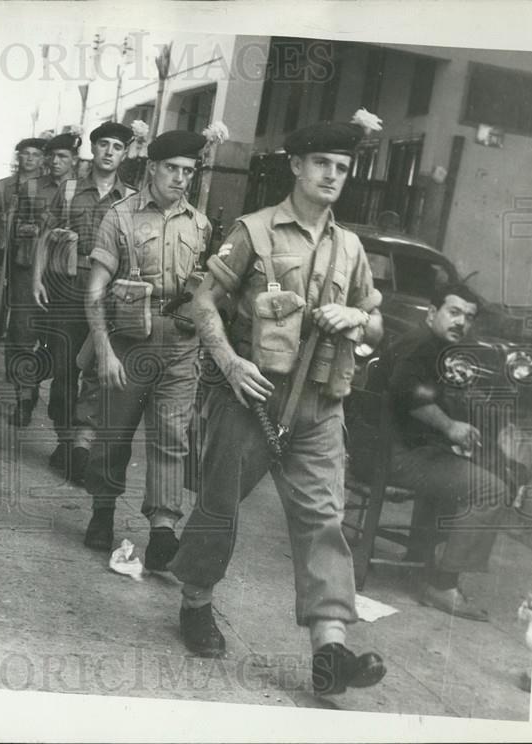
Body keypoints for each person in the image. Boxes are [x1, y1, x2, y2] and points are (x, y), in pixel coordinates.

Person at [168, 119, 387, 697]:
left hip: (319, 406)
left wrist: (359, 319)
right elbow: (203, 301)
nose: (332, 176)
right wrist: (229, 363)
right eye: (322, 164)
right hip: (253, 398)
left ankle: (330, 651)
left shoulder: (352, 247)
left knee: (323, 521)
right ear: (296, 165)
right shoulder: (254, 232)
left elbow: (377, 319)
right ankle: (196, 602)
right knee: (220, 506)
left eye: (342, 168)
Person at [81, 130, 212, 569]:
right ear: (152, 168)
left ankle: (162, 530)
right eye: (172, 169)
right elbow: (95, 291)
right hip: (130, 341)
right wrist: (103, 351)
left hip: (180, 346)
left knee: (172, 438)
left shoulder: (200, 224)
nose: (180, 179)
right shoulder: (120, 216)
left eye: (188, 171)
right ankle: (102, 510)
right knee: (114, 432)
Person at [378, 283, 511, 621]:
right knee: (492, 490)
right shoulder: (420, 345)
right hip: (396, 456)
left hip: (399, 449)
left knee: (467, 468)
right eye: (453, 312)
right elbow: (409, 394)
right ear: (432, 312)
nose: (461, 322)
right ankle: (442, 583)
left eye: (468, 317)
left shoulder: (432, 347)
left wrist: (457, 426)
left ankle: (420, 559)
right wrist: (450, 427)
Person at [31, 122, 135, 482]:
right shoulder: (71, 189)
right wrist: (36, 280)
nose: (108, 152)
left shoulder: (131, 199)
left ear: (126, 154)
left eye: (117, 147)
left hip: (105, 296)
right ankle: (64, 437)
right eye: (102, 144)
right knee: (64, 370)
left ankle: (81, 443)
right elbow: (44, 235)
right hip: (67, 289)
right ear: (92, 149)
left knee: (95, 372)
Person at [0, 137, 49, 424]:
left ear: (43, 159)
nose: (29, 159)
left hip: (31, 264)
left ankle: (23, 386)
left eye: (35, 155)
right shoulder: (4, 186)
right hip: (3, 262)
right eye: (25, 154)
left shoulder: (47, 188)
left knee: (24, 323)